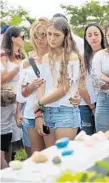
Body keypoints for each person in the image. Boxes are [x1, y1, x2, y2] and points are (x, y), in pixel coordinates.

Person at [34, 17, 86, 146]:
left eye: (56, 35)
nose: (51, 38)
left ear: (65, 36)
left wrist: (40, 102)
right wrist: (39, 111)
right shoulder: (46, 58)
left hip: (65, 111)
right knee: (51, 159)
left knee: (64, 157)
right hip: (47, 111)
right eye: (49, 34)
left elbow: (64, 89)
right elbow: (42, 85)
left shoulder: (72, 57)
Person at [19, 18, 49, 154]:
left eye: (43, 35)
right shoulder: (26, 63)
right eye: (36, 36)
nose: (40, 39)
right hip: (31, 113)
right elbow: (22, 94)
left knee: (53, 153)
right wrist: (30, 87)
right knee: (36, 154)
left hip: (53, 112)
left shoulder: (57, 58)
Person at [1, 26, 25, 168]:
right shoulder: (3, 54)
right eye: (22, 36)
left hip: (19, 101)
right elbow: (2, 79)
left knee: (12, 138)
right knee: (5, 136)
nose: (24, 39)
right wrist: (18, 68)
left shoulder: (20, 55)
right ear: (13, 38)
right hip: (7, 100)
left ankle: (9, 167)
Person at [79, 22, 105, 135]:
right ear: (85, 38)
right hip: (86, 104)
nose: (93, 38)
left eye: (96, 34)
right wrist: (92, 106)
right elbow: (81, 84)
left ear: (102, 35)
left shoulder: (108, 55)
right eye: (89, 35)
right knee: (87, 138)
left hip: (105, 103)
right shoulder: (82, 57)